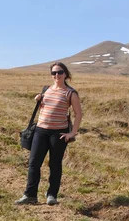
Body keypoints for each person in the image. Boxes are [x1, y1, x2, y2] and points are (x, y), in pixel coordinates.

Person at [15, 62, 83, 206]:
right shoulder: (46, 89)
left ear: (65, 74)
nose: (56, 75)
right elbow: (44, 109)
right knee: (34, 163)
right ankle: (30, 195)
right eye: (53, 73)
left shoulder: (70, 93)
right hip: (40, 130)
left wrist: (72, 133)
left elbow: (78, 114)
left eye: (59, 72)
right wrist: (38, 100)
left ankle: (52, 195)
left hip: (58, 133)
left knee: (55, 164)